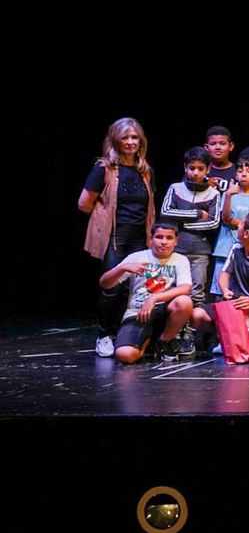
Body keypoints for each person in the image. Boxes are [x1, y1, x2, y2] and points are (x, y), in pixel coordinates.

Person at [79, 117, 156, 358]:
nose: (130, 142)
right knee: (112, 287)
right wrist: (103, 219)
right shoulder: (104, 168)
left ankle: (126, 333)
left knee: (134, 289)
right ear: (115, 141)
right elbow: (84, 204)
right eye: (125, 138)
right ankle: (104, 334)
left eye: (134, 137)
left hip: (140, 237)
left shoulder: (145, 170)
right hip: (115, 237)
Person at [99, 222, 193, 364]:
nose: (163, 242)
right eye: (159, 237)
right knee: (125, 355)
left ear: (176, 241)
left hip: (165, 313)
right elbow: (104, 284)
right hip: (138, 313)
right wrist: (123, 268)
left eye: (169, 238)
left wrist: (154, 298)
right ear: (150, 239)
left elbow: (185, 288)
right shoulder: (137, 257)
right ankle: (148, 344)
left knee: (184, 302)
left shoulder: (180, 260)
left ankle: (165, 341)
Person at [192, 211, 249, 358]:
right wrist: (225, 290)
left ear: (247, 233)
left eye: (241, 224)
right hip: (236, 301)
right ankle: (225, 339)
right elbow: (224, 274)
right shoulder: (236, 248)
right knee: (197, 315)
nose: (238, 226)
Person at [159, 147, 221, 319]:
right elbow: (166, 212)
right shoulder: (175, 188)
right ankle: (174, 331)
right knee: (172, 289)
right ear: (185, 168)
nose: (195, 172)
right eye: (191, 168)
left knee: (197, 292)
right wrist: (198, 214)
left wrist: (181, 225)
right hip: (176, 250)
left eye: (200, 169)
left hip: (200, 251)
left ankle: (190, 333)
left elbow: (214, 223)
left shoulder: (214, 194)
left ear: (208, 169)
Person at [212, 155, 249, 297]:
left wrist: (236, 221)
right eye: (240, 171)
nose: (243, 174)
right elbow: (225, 219)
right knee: (220, 291)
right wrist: (229, 196)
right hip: (224, 249)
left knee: (244, 290)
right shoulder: (229, 194)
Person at [203, 126, 237, 195]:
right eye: (213, 144)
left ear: (231, 146)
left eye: (222, 143)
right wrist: (202, 185)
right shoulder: (199, 171)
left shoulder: (239, 172)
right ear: (206, 147)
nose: (217, 147)